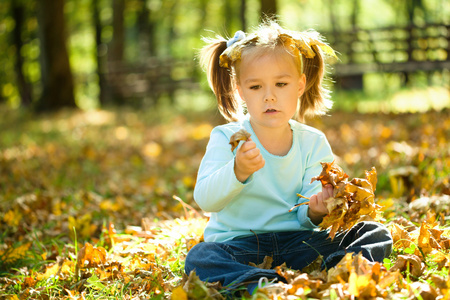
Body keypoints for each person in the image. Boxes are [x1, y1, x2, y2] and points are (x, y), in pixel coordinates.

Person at [185, 20, 392, 297]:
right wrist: (238, 171)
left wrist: (317, 210)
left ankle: (339, 270)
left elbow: (308, 207)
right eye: (256, 87)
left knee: (373, 232)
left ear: (300, 85)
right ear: (240, 91)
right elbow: (206, 199)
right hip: (239, 246)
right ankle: (264, 284)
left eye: (281, 84)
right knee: (201, 257)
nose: (269, 96)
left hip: (300, 244)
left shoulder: (312, 141)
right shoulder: (227, 137)